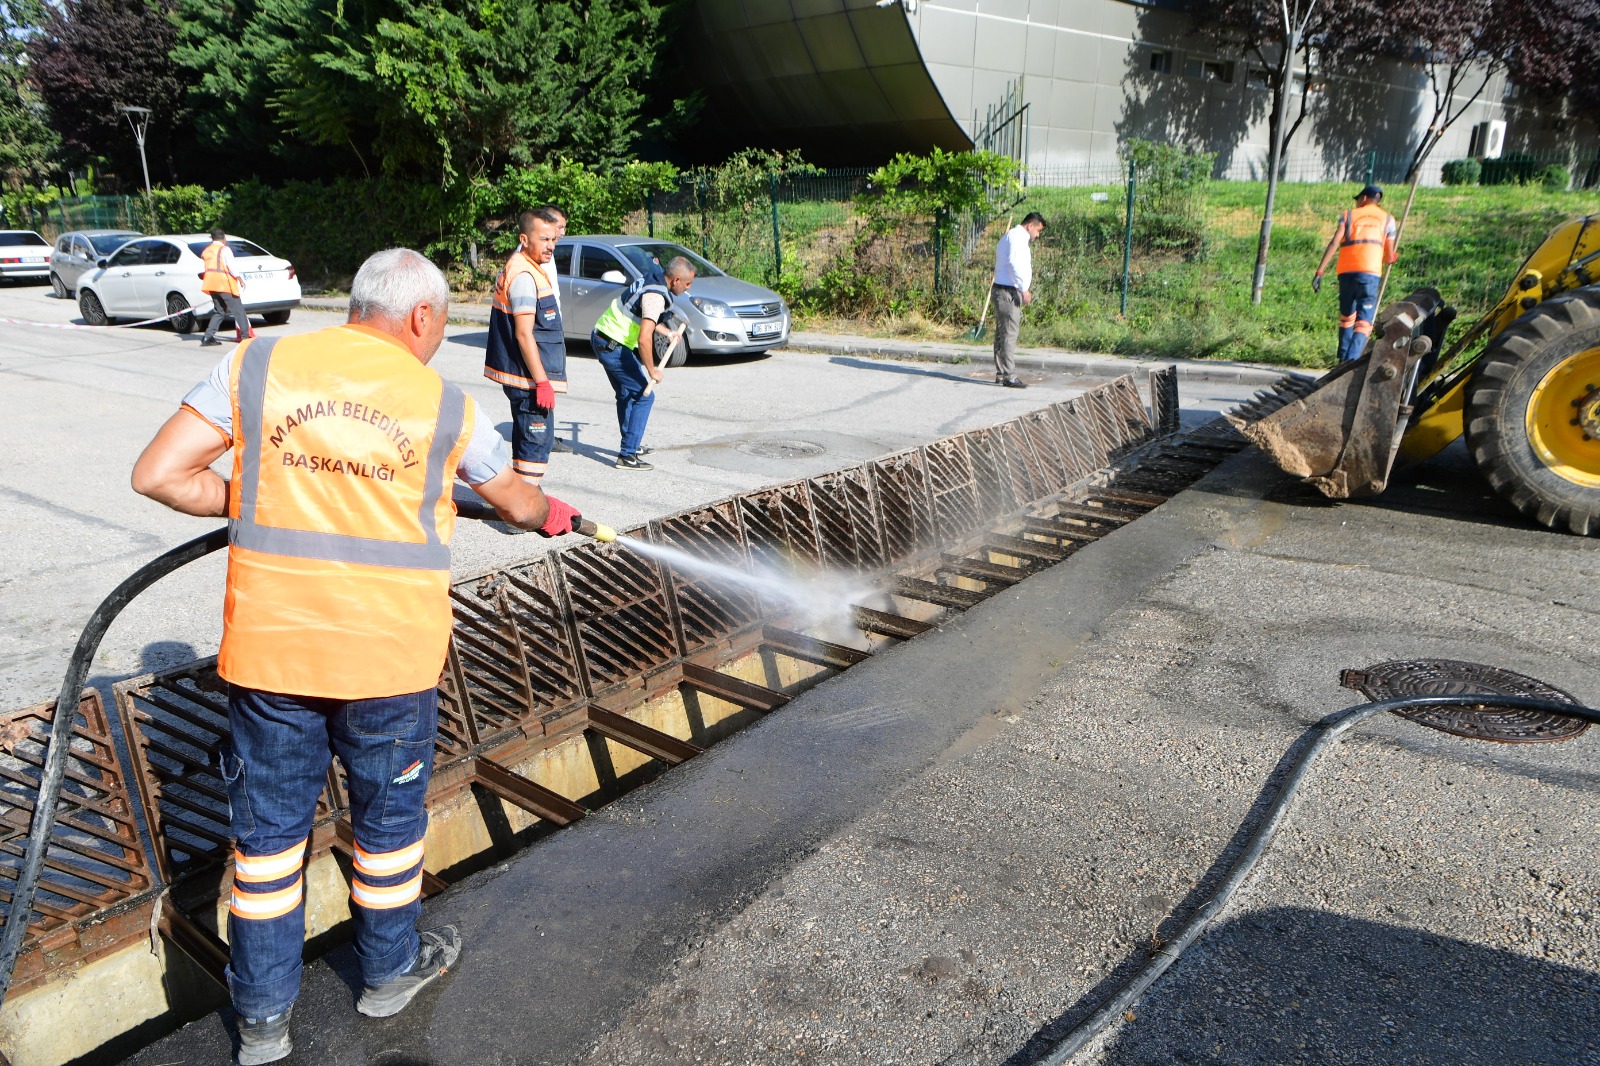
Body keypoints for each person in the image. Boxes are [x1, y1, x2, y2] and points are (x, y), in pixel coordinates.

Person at [130, 248, 586, 1066]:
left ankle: (263, 1023)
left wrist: (258, 493)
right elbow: (516, 499)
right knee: (388, 829)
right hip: (389, 662)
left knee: (267, 843)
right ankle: (387, 977)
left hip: (273, 659)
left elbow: (160, 475)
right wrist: (547, 511)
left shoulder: (259, 360)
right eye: (441, 326)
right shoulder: (443, 404)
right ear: (420, 317)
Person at [590, 255, 695, 470]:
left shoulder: (652, 278)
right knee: (644, 396)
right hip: (613, 346)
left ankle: (632, 445)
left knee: (626, 393)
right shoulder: (656, 295)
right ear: (675, 280)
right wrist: (652, 370)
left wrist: (668, 332)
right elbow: (644, 337)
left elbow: (645, 316)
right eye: (687, 284)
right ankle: (627, 455)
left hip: (603, 337)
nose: (688, 288)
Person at [484, 209, 565, 483]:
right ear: (524, 238)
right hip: (528, 380)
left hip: (525, 377)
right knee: (534, 443)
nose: (551, 246)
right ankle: (520, 513)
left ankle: (525, 500)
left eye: (553, 239)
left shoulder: (525, 267)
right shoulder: (524, 277)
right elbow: (523, 334)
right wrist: (542, 382)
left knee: (529, 440)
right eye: (544, 239)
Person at [1313, 183, 1399, 362]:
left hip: (1345, 273)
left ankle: (1342, 359)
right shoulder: (1388, 220)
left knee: (1347, 317)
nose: (1358, 202)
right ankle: (1350, 361)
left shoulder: (1348, 215)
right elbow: (1389, 256)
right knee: (1364, 321)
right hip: (1369, 274)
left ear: (1365, 198)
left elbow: (1334, 243)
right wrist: (1392, 257)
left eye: (1358, 199)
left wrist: (1320, 271)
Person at [992, 212, 1046, 389]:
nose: (1037, 235)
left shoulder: (1011, 236)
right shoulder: (1017, 238)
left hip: (1002, 290)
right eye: (1038, 230)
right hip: (1009, 292)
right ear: (1030, 226)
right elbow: (1015, 263)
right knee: (1009, 334)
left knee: (1002, 333)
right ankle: (1009, 375)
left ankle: (1002, 372)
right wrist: (1024, 289)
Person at [537, 204, 573, 454]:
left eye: (562, 228)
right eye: (558, 227)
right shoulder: (535, 256)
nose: (561, 233)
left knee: (551, 384)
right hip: (541, 332)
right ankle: (541, 436)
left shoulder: (547, 254)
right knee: (542, 384)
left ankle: (546, 434)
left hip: (551, 329)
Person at [199, 228, 251, 347]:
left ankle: (207, 337)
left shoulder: (207, 250)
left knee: (219, 311)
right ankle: (245, 337)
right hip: (223, 284)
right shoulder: (224, 249)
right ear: (224, 239)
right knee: (238, 310)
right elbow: (231, 266)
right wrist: (240, 279)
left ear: (212, 239)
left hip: (211, 284)